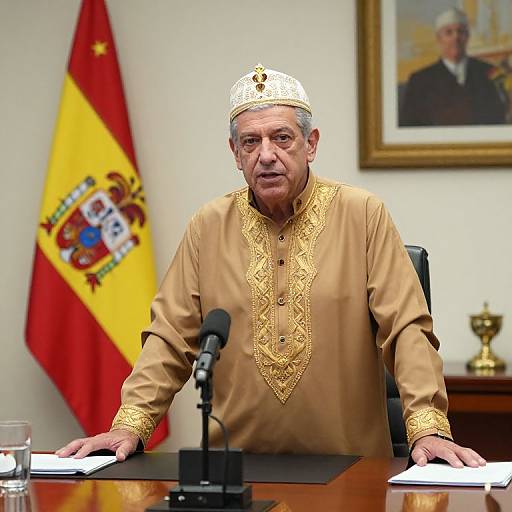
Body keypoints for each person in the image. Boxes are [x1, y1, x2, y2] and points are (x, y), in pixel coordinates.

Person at [57, 63, 485, 469]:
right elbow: (169, 338)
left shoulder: (362, 214)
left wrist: (429, 429)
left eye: (282, 138)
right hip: (234, 476)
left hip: (353, 472)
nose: (266, 155)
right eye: (250, 141)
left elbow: (406, 328)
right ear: (234, 152)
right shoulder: (208, 226)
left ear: (311, 143)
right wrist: (129, 424)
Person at [400, 7, 506, 126]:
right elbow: (409, 126)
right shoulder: (420, 80)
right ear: (439, 39)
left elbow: (501, 117)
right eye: (448, 32)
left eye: (461, 31)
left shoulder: (490, 72)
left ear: (467, 37)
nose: (455, 37)